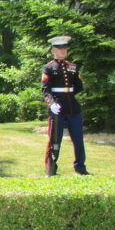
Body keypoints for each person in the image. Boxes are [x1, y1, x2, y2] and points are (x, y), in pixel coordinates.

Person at [41, 35, 89, 175]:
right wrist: (51, 103)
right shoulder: (48, 68)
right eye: (60, 48)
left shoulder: (73, 67)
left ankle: (80, 167)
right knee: (55, 139)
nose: (63, 51)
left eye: (65, 48)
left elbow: (79, 86)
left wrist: (69, 95)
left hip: (72, 106)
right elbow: (45, 89)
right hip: (57, 106)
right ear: (53, 50)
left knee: (78, 139)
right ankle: (51, 167)